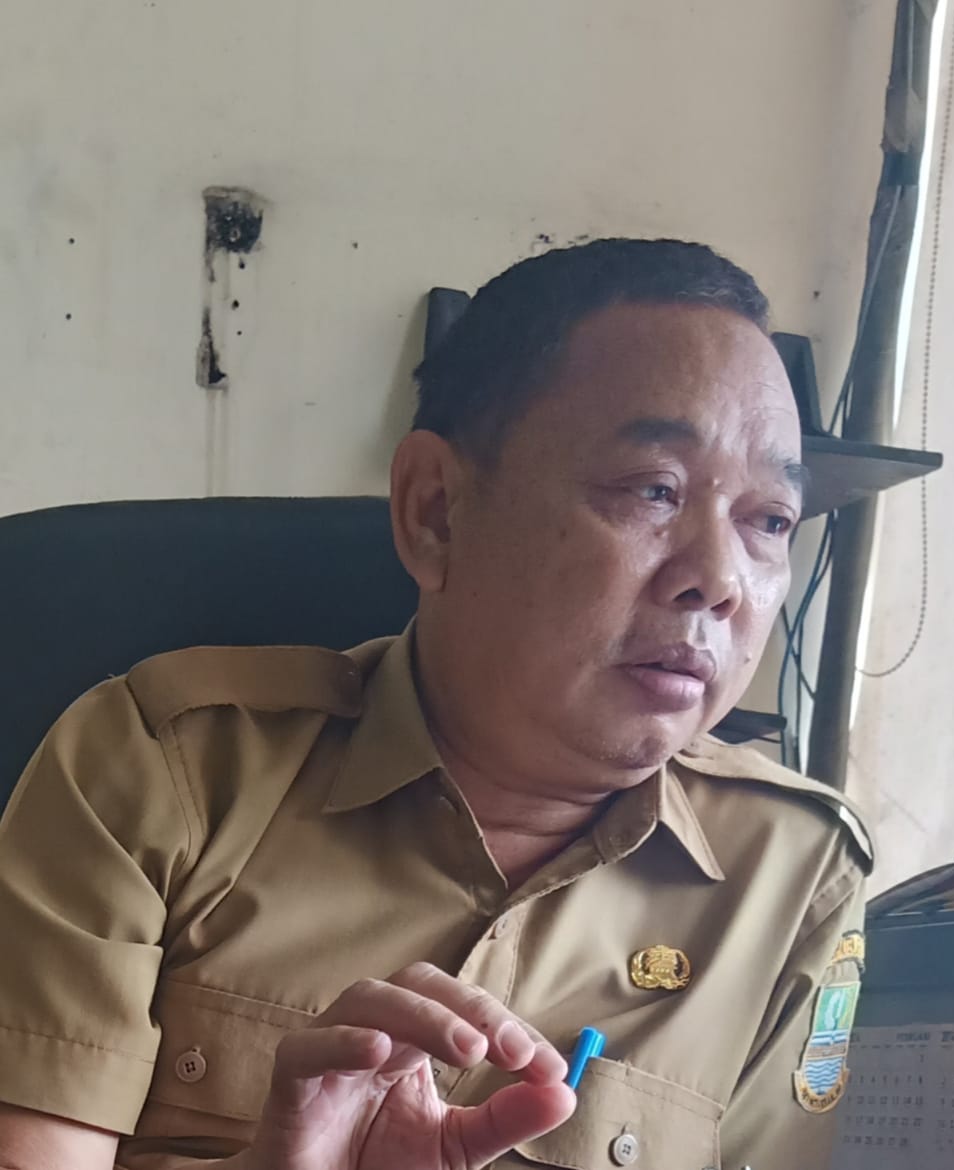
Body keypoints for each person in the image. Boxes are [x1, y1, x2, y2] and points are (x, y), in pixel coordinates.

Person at [0, 238, 873, 1170]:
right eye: (653, 490)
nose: (721, 580)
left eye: (769, 521)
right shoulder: (166, 769)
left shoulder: (793, 874)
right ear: (435, 511)